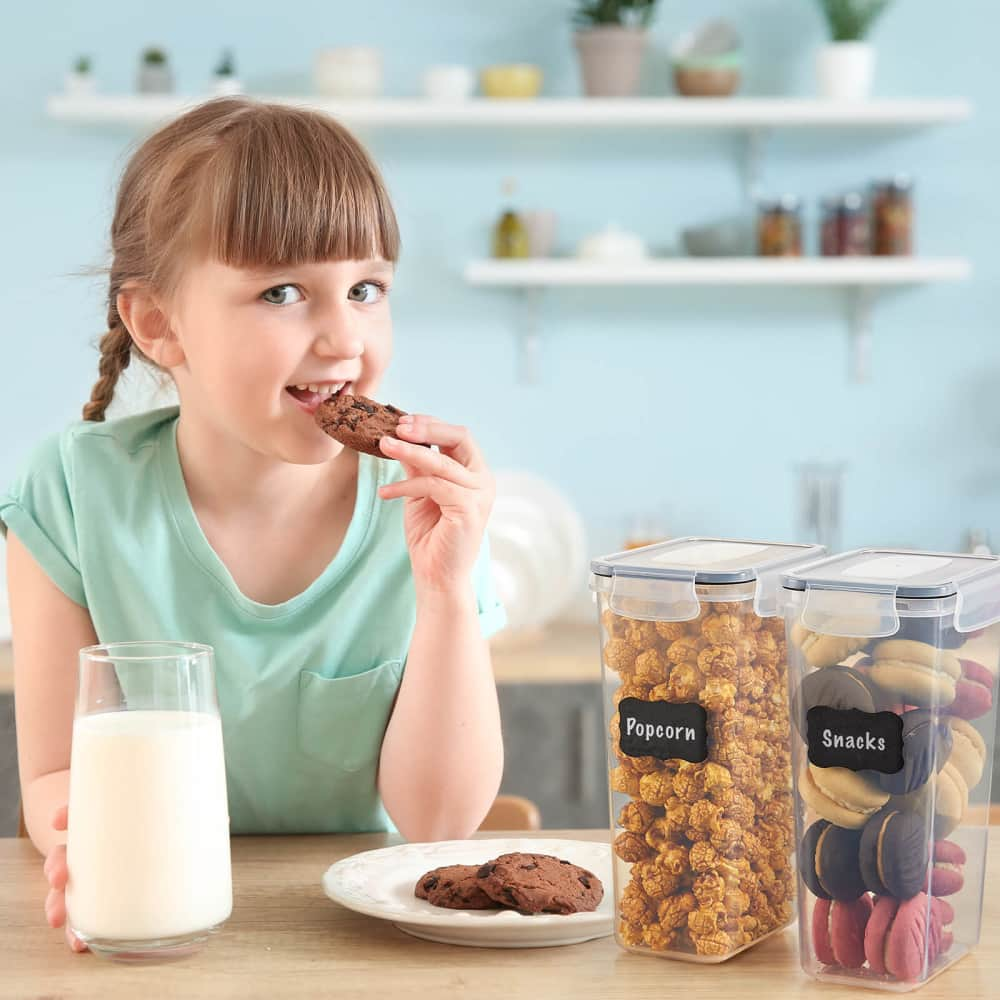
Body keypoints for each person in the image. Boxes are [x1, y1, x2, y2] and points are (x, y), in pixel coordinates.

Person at [1, 97, 506, 952]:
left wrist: (449, 592)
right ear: (159, 324)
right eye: (282, 292)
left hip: (370, 943)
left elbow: (438, 823)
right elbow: (56, 773)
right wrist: (83, 845)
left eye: (366, 288)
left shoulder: (419, 507)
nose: (343, 336)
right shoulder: (74, 489)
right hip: (166, 922)